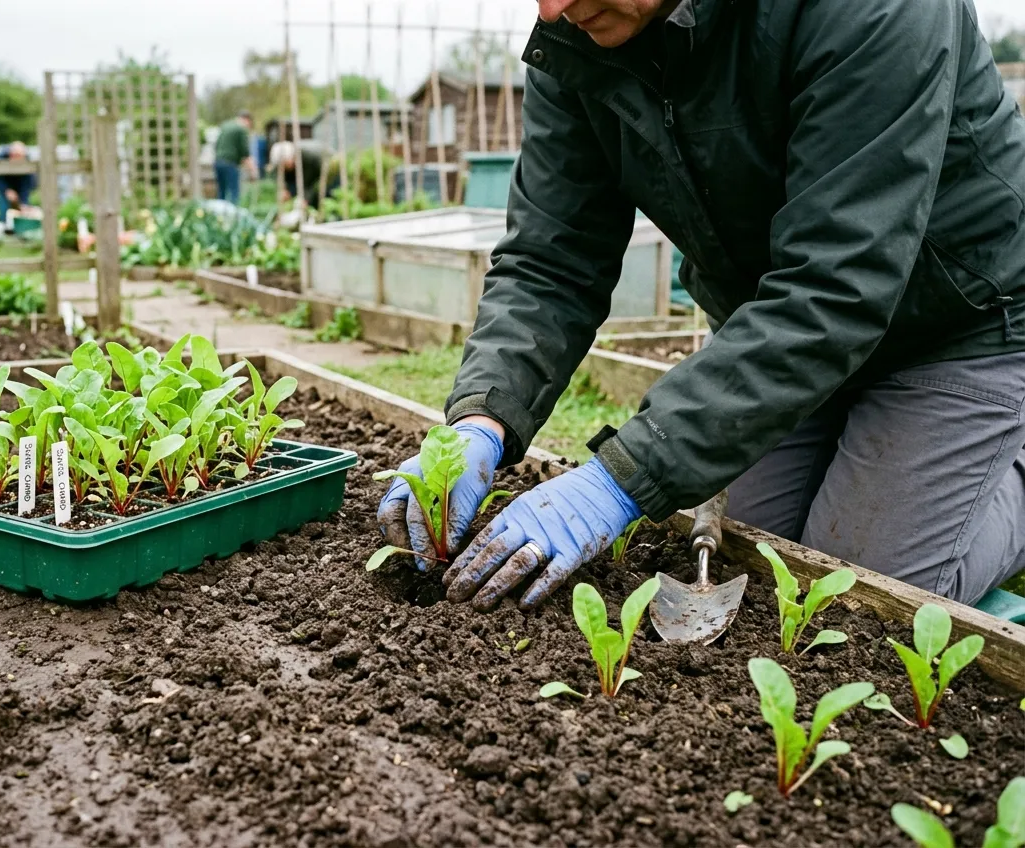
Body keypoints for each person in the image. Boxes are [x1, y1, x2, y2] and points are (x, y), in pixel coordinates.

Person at [379, 0, 1025, 613]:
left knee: (864, 585)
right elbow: (553, 257)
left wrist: (619, 481)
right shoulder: (576, 37)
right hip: (780, 330)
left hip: (967, 319)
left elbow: (837, 282)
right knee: (761, 561)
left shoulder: (871, 12)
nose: (552, 10)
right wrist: (480, 420)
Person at [269, 139, 333, 209]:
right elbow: (277, 173)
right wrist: (283, 189)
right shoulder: (285, 162)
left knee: (321, 196)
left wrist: (305, 200)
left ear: (291, 158)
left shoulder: (307, 157)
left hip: (327, 169)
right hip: (308, 174)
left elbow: (308, 183)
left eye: (284, 165)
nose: (282, 168)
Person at [213, 111, 254, 204]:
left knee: (221, 191)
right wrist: (252, 169)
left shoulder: (225, 125)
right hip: (230, 163)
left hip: (218, 161)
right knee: (234, 192)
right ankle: (234, 215)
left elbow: (217, 145)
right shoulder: (241, 129)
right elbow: (245, 152)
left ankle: (220, 215)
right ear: (246, 120)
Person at [0, 141, 36, 223]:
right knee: (4, 207)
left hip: (20, 185)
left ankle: (20, 227)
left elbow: (26, 184)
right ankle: (4, 226)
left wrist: (24, 202)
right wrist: (6, 190)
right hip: (5, 185)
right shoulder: (0, 159)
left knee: (24, 208)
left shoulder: (27, 161)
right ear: (11, 155)